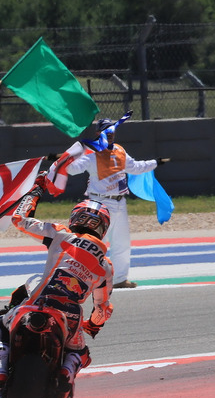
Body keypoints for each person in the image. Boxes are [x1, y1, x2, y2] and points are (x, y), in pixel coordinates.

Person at [0, 175, 114, 395]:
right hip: (71, 316)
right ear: (103, 228)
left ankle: (0, 367)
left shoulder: (60, 234)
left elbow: (20, 219)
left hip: (39, 302)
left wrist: (36, 190)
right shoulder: (106, 265)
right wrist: (93, 326)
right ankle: (67, 371)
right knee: (81, 352)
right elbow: (102, 308)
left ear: (75, 218)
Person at [64, 118, 164, 288]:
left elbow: (135, 167)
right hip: (99, 204)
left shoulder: (119, 151)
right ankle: (80, 279)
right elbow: (71, 169)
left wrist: (155, 163)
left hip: (120, 202)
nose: (109, 133)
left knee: (122, 243)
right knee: (93, 242)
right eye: (105, 130)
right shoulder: (91, 153)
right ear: (98, 133)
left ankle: (119, 280)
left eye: (111, 130)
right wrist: (69, 158)